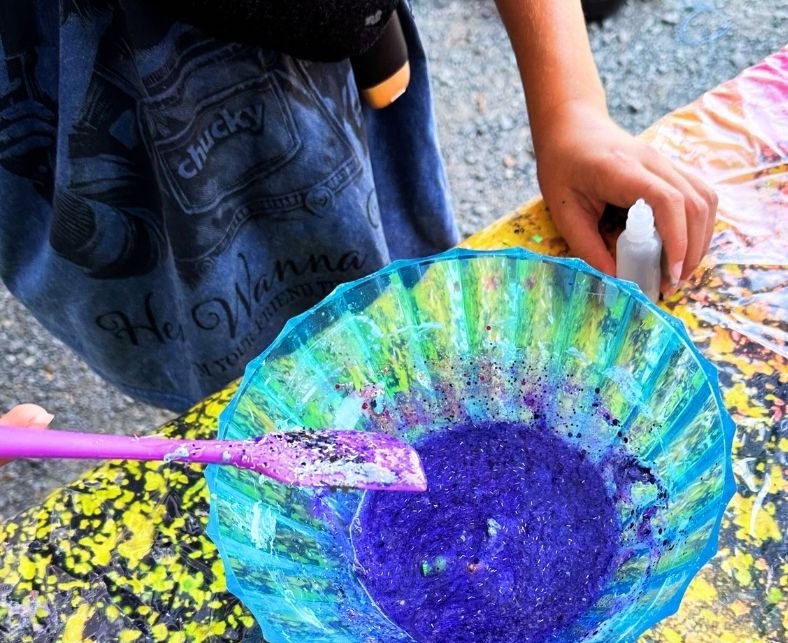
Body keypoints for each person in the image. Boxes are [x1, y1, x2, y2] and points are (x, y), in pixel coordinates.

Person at [0, 1, 716, 414]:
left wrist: (570, 106)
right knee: (235, 402)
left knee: (402, 333)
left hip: (333, 105)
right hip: (82, 139)